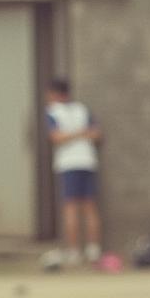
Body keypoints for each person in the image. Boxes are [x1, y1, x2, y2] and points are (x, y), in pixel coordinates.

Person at [45, 78, 102, 266]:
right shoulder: (82, 110)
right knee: (89, 207)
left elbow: (56, 137)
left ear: (54, 93)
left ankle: (76, 252)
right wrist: (81, 133)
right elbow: (91, 133)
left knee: (73, 208)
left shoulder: (53, 111)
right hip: (87, 160)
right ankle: (93, 250)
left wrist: (70, 135)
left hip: (70, 163)